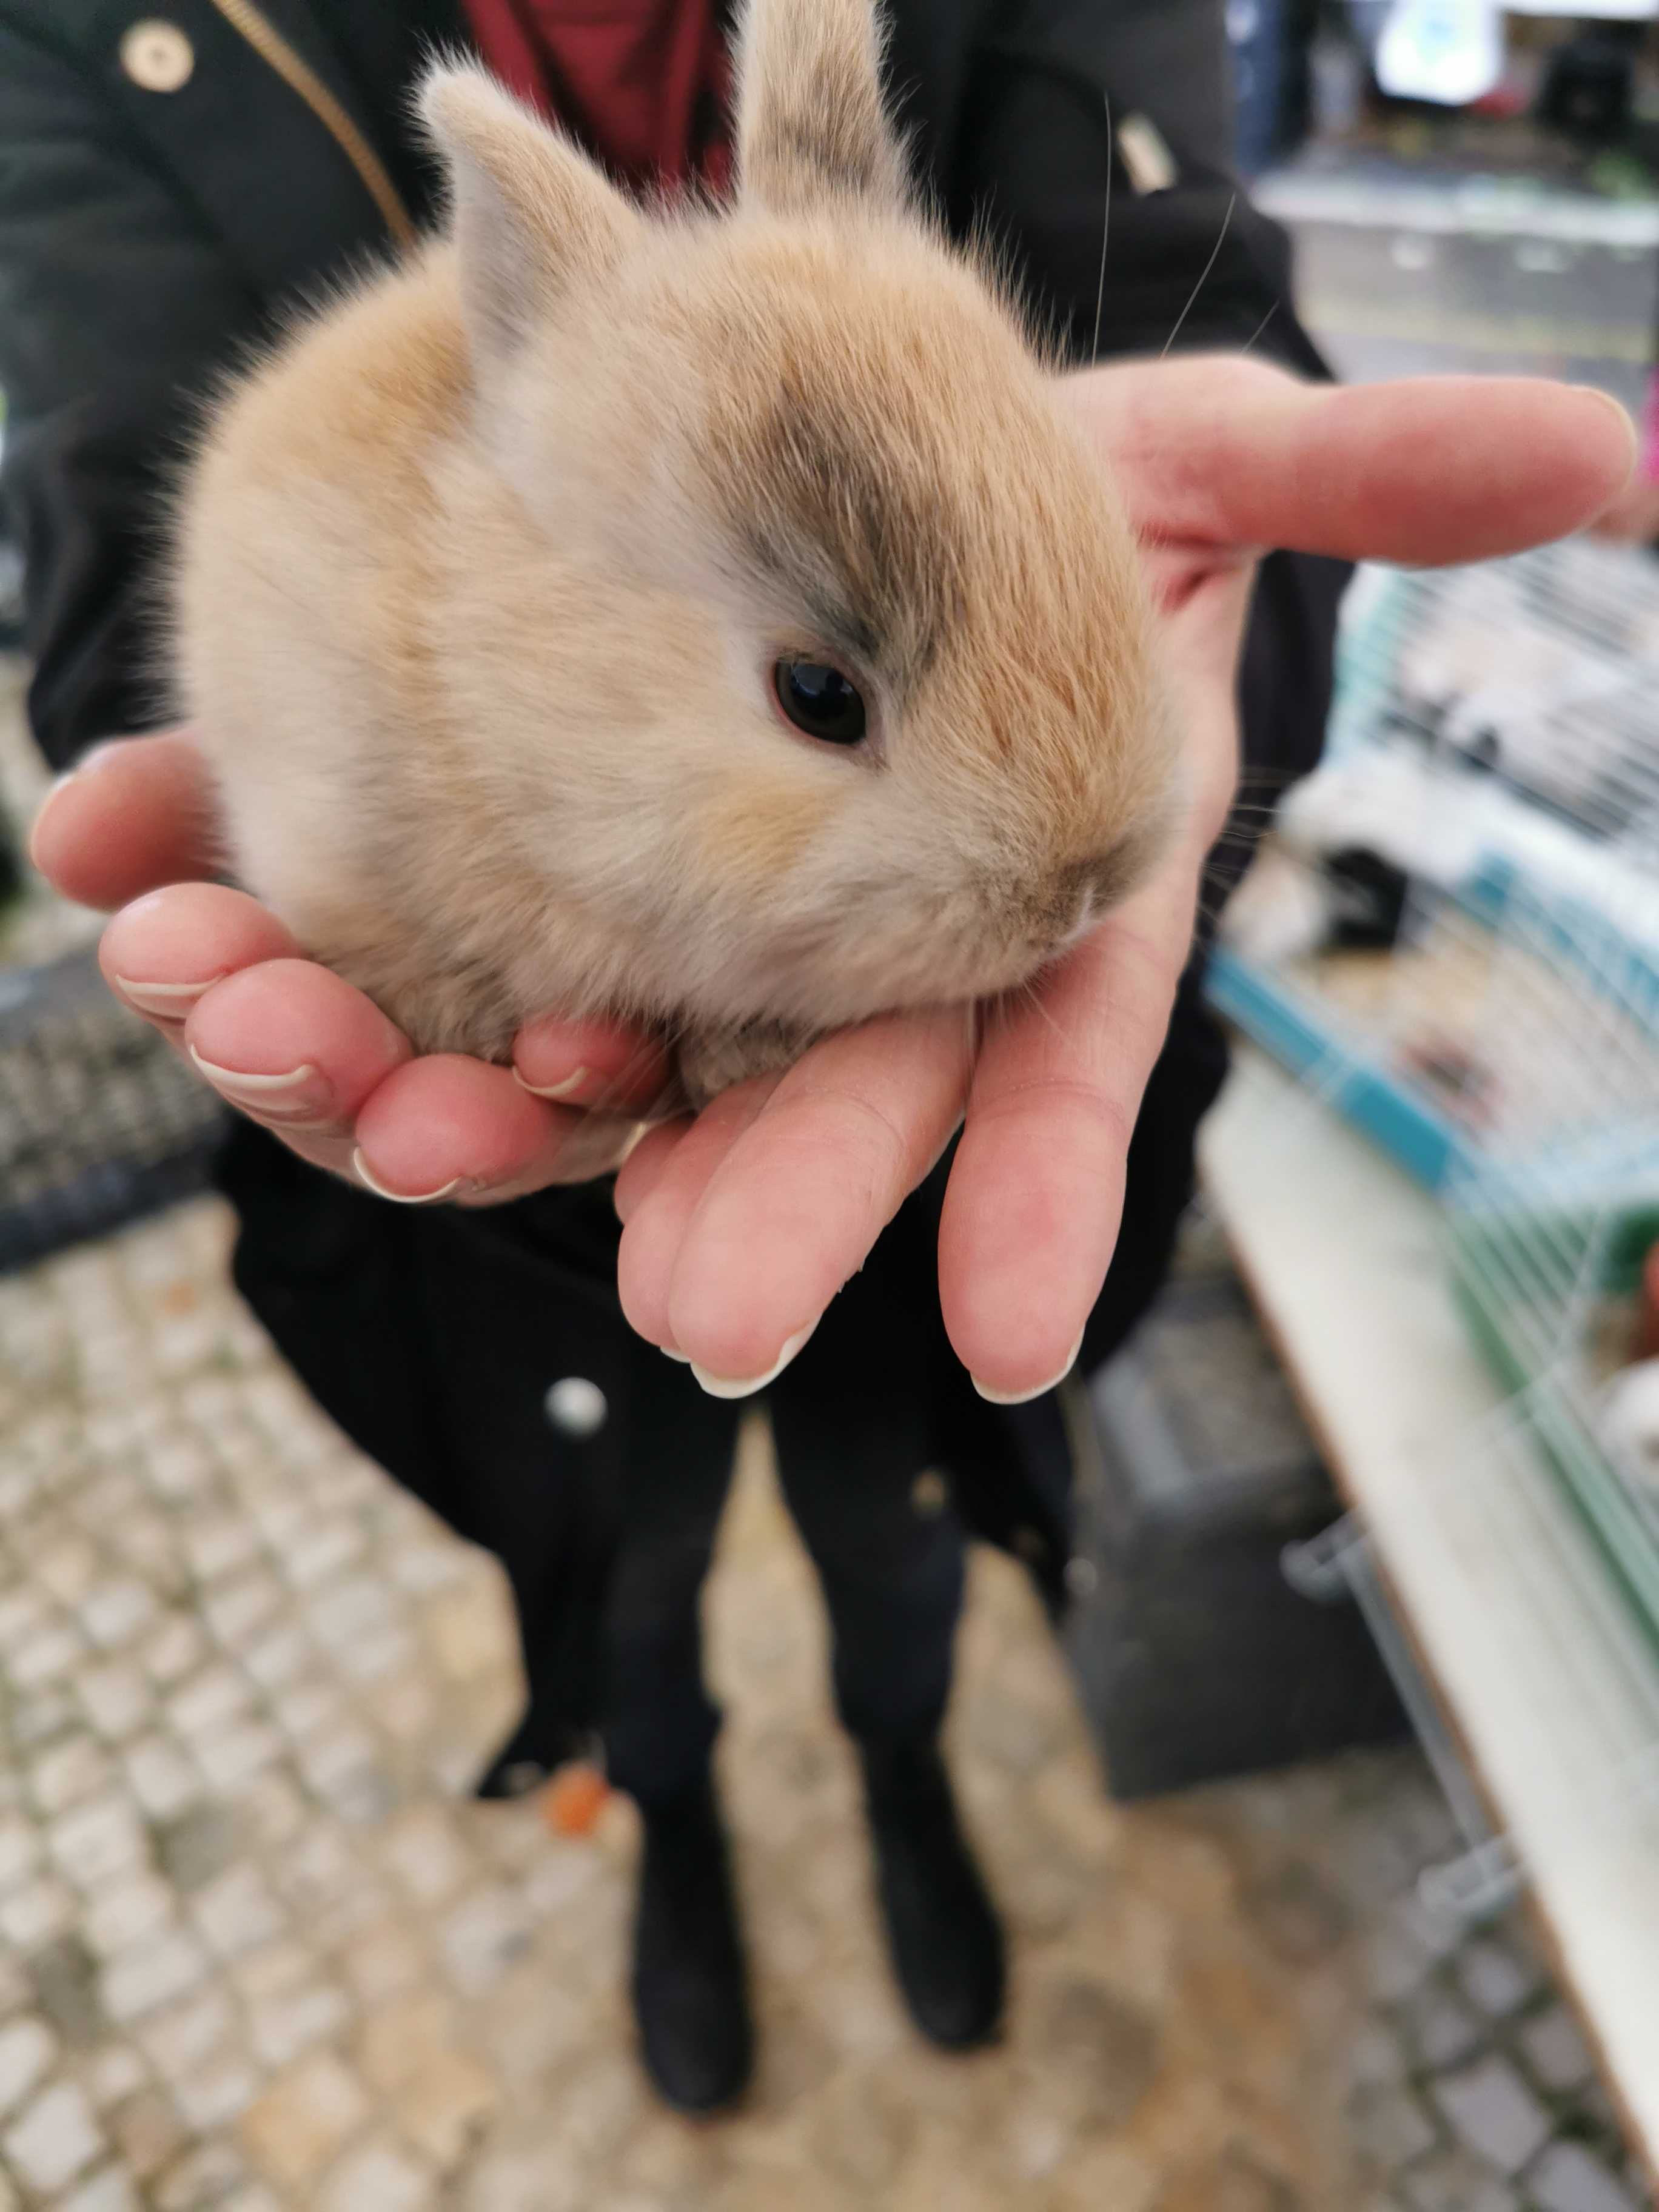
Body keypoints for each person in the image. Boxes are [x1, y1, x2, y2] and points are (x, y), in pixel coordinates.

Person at [2, 0, 1633, 2114]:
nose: (1074, 876)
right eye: (816, 697)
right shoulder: (93, 53)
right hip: (509, 1256)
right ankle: (670, 1820)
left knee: (903, 1521)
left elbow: (1156, 291)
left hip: (924, 1220)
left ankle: (899, 1770)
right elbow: (114, 572)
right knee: (631, 1562)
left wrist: (1213, 597)